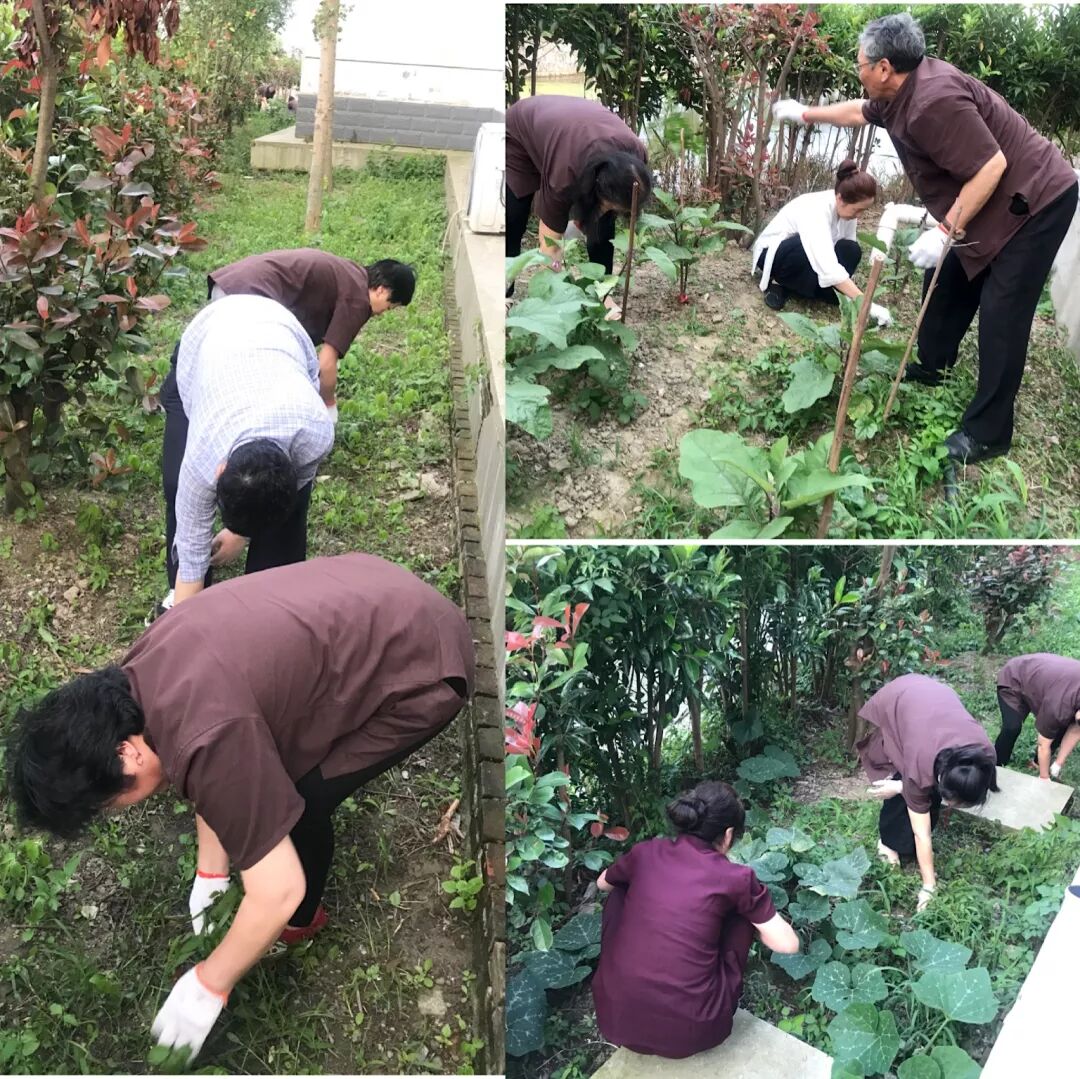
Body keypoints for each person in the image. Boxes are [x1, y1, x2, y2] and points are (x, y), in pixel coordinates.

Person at [8, 552, 476, 1061]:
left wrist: (208, 984)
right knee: (264, 780)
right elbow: (208, 764)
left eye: (106, 804)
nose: (114, 811)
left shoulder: (207, 737)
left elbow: (276, 888)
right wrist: (212, 874)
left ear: (127, 753)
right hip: (373, 583)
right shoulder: (137, 675)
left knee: (300, 801)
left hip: (429, 664)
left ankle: (305, 921)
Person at [773, 12, 1079, 464]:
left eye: (860, 64)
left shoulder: (933, 101)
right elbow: (858, 112)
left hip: (1036, 198)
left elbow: (990, 167)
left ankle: (989, 432)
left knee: (1003, 310)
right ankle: (932, 366)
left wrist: (942, 230)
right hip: (990, 196)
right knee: (949, 278)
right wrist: (804, 112)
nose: (858, 71)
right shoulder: (899, 91)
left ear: (883, 68)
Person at [152, 294, 335, 621]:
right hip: (210, 334)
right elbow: (193, 555)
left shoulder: (315, 433)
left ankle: (271, 614)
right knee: (173, 486)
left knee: (283, 536)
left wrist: (241, 535)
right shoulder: (202, 458)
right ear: (219, 470)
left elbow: (291, 499)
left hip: (283, 333)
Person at [591, 781, 799, 1059]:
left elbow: (602, 883)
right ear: (727, 835)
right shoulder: (736, 878)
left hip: (616, 1019)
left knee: (621, 887)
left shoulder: (646, 852)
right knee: (740, 912)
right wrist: (755, 920)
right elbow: (787, 944)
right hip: (694, 1031)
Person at [207, 249, 416, 414]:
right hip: (245, 299)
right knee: (251, 380)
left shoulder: (353, 275)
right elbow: (326, 362)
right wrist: (328, 404)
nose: (383, 314)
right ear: (382, 290)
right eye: (390, 307)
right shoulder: (358, 300)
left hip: (230, 284)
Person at [857, 674, 998, 911]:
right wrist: (929, 886)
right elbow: (922, 834)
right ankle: (886, 843)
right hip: (902, 698)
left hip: (933, 702)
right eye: (952, 801)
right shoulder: (919, 764)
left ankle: (904, 798)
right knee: (907, 786)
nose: (952, 806)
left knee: (914, 792)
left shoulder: (985, 757)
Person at [505, 95, 653, 311]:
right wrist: (556, 291)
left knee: (603, 226)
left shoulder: (637, 158)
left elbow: (602, 214)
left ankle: (601, 296)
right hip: (522, 130)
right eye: (611, 205)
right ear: (597, 187)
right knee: (514, 215)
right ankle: (504, 294)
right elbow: (550, 246)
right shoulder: (564, 175)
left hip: (570, 129)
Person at [752, 159, 890, 325]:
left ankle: (818, 291)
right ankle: (780, 283)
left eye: (863, 210)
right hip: (776, 255)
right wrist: (867, 305)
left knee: (851, 249)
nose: (859, 215)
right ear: (840, 199)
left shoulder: (848, 212)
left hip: (810, 256)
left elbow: (842, 252)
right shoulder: (815, 210)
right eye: (857, 210)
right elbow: (826, 263)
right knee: (803, 246)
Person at [995, 653, 1080, 775]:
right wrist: (1044, 779)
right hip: (1015, 676)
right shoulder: (1059, 706)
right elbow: (1043, 743)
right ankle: (998, 764)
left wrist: (1058, 764)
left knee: (1062, 727)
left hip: (1044, 682)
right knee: (1012, 727)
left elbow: (1075, 731)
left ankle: (1036, 764)